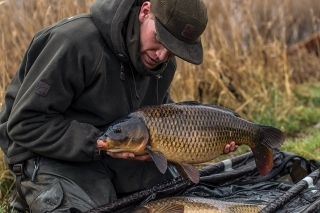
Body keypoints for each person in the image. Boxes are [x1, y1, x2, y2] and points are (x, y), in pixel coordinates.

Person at [0, 0, 237, 212]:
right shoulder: (75, 42)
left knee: (175, 202)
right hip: (47, 150)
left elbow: (163, 116)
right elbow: (23, 124)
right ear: (145, 11)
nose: (162, 55)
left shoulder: (163, 65)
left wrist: (205, 141)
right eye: (159, 39)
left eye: (173, 49)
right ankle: (28, 196)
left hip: (117, 148)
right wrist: (97, 143)